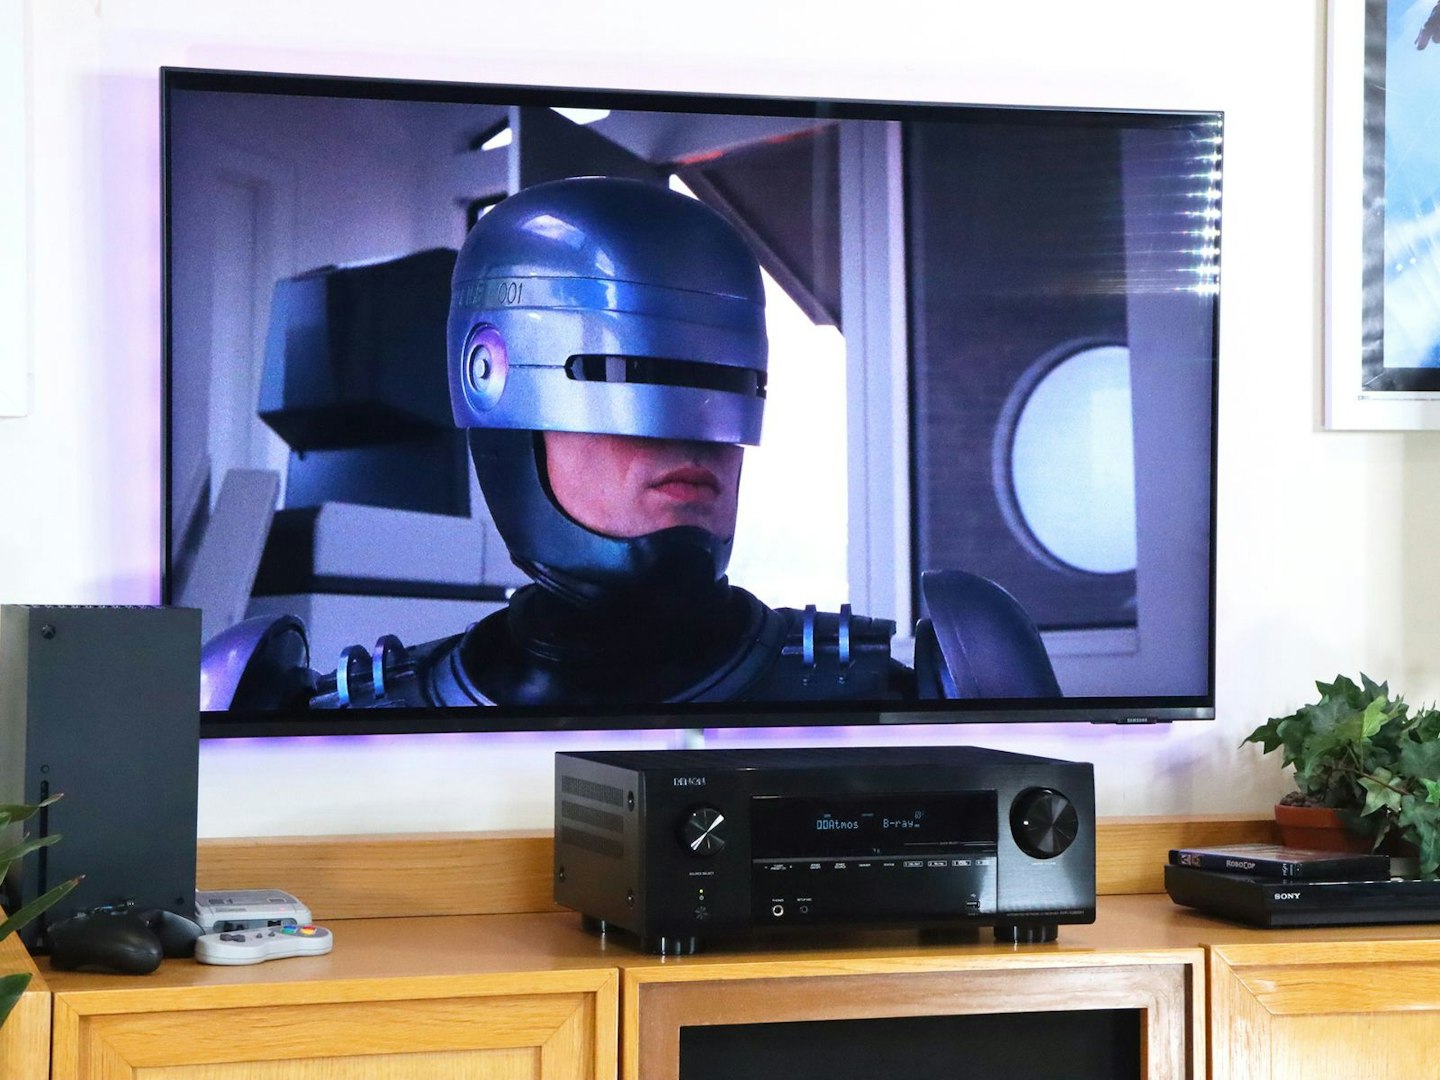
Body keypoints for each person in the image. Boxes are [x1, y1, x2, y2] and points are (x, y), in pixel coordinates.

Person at [204, 176, 1058, 712]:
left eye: (724, 387)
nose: (693, 439)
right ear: (498, 384)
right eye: (627, 374)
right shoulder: (311, 711)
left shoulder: (917, 685)